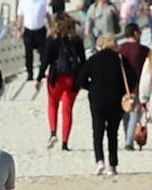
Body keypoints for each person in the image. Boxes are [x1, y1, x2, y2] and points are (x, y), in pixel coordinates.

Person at [81, 36, 130, 174]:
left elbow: (81, 78)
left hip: (97, 99)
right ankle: (112, 165)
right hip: (115, 100)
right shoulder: (120, 60)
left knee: (97, 131)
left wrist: (91, 87)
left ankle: (99, 161)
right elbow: (132, 78)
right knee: (112, 133)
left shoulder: (93, 60)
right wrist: (122, 90)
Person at [44, 15, 87, 149]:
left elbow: (45, 60)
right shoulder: (76, 40)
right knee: (67, 110)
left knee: (52, 104)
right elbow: (83, 61)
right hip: (72, 78)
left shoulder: (52, 40)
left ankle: (53, 132)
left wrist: (39, 76)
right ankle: (65, 143)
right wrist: (83, 79)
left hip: (56, 77)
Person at [17, 0, 53, 85]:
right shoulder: (23, 2)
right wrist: (19, 30)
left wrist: (51, 27)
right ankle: (30, 74)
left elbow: (48, 14)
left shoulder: (43, 1)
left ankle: (42, 72)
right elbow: (20, 16)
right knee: (28, 54)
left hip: (40, 31)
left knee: (43, 53)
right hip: (28, 31)